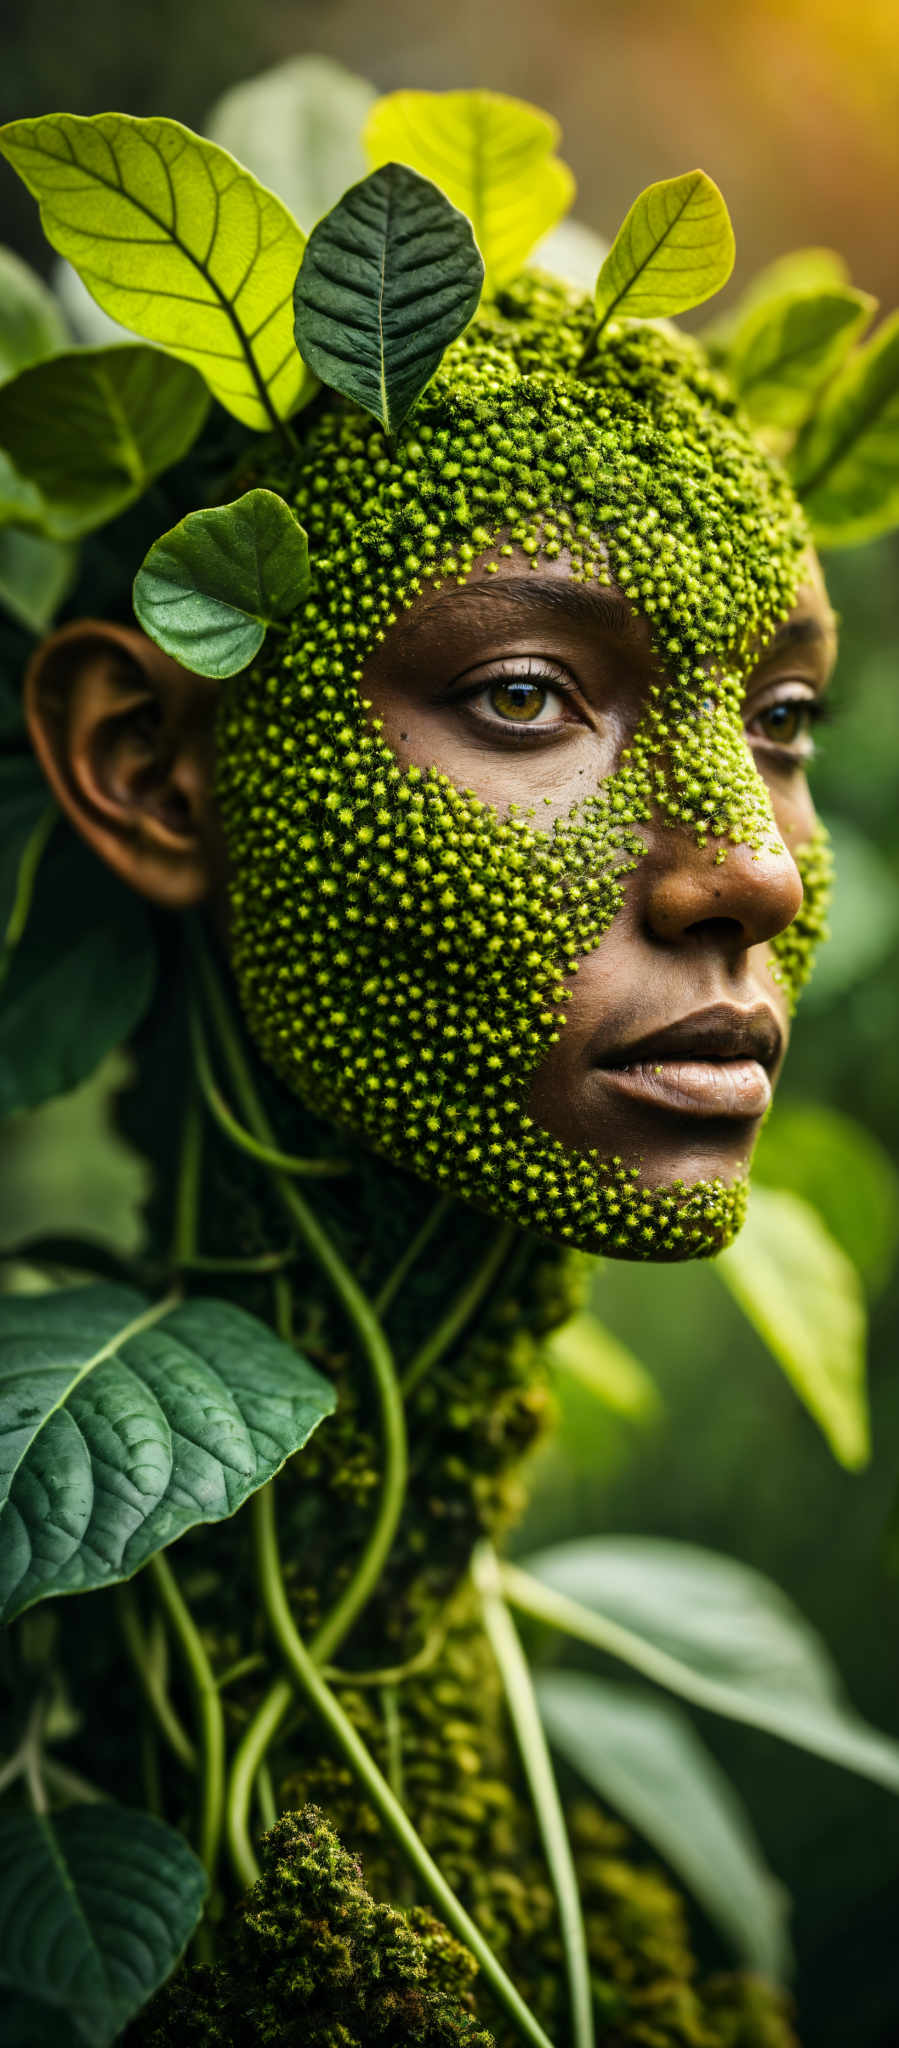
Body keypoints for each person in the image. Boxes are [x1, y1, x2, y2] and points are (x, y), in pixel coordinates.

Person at [0, 81, 889, 2048]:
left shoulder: (589, 1868)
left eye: (784, 716)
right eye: (523, 693)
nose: (746, 856)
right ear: (153, 772)